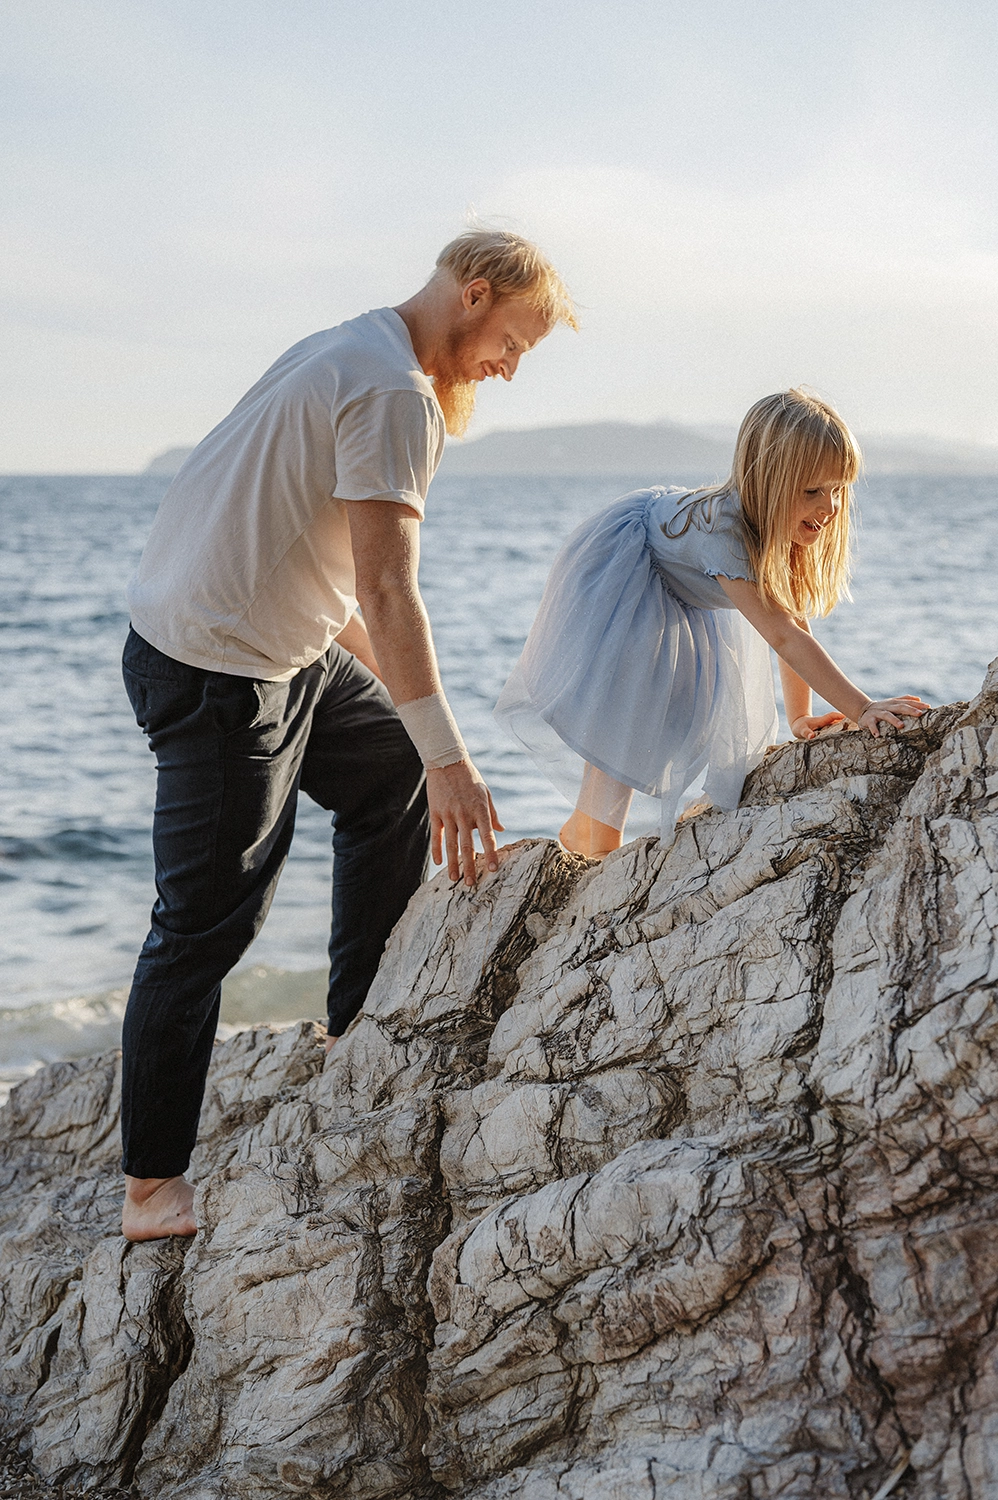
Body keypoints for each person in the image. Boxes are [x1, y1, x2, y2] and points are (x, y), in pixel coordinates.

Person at [120, 229, 577, 1240]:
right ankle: (151, 1189)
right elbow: (386, 584)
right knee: (206, 925)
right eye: (512, 344)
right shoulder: (395, 394)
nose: (506, 369)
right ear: (472, 296)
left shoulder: (354, 345)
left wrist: (426, 745)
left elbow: (338, 586)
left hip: (271, 646)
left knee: (390, 772)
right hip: (217, 674)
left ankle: (353, 1028)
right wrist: (453, 756)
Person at [495, 388, 928, 858]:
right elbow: (782, 637)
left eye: (838, 490)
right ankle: (596, 845)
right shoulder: (725, 532)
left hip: (675, 587)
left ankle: (579, 834)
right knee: (626, 715)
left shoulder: (773, 524)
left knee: (666, 711)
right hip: (625, 578)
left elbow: (792, 619)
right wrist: (862, 708)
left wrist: (800, 715)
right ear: (767, 480)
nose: (829, 507)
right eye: (812, 491)